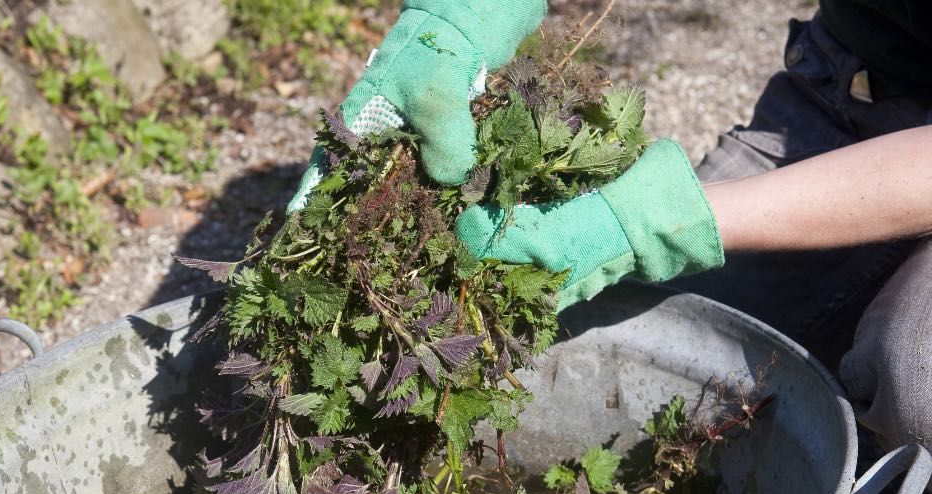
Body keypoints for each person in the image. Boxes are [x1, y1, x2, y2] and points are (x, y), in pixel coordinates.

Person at [291, 0, 932, 452]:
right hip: (844, 90)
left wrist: (660, 218)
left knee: (912, 377)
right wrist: (457, 18)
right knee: (655, 329)